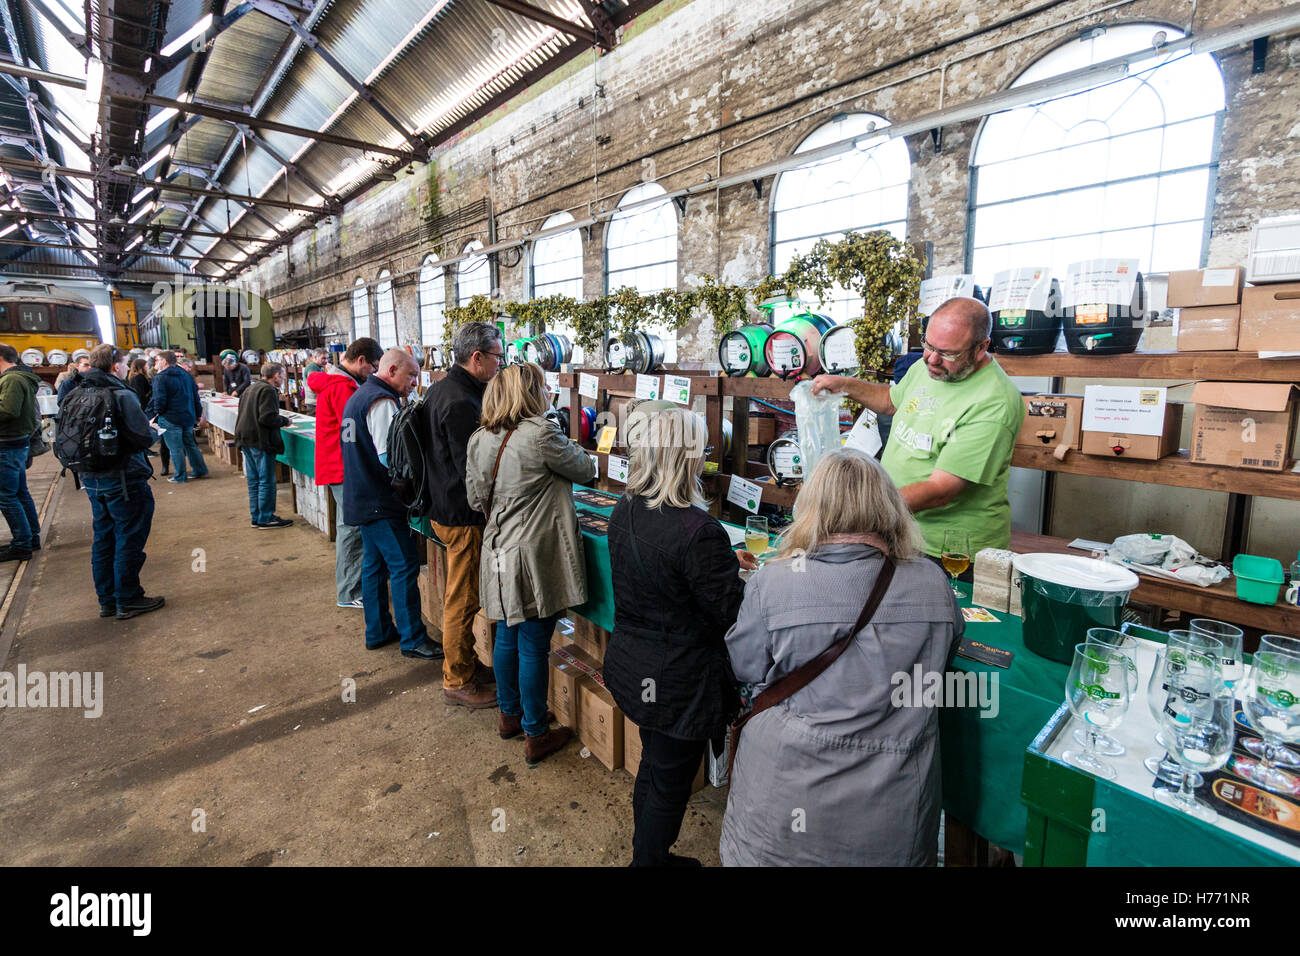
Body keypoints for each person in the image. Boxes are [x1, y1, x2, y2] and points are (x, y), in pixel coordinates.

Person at [719, 449, 961, 866]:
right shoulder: (932, 582)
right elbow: (946, 651)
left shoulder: (773, 581)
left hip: (784, 801)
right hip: (892, 812)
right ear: (888, 506)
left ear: (812, 506)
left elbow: (743, 666)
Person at [602, 406, 758, 867]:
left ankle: (646, 855)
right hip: (679, 681)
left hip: (636, 666)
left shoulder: (627, 506)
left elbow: (664, 571)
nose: (706, 458)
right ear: (684, 457)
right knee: (668, 782)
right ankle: (648, 862)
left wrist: (722, 560)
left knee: (653, 769)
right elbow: (730, 612)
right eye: (704, 450)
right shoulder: (698, 530)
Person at [811, 296, 1025, 560]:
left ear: (981, 347)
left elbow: (940, 491)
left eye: (947, 353)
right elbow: (893, 401)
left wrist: (864, 508)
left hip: (949, 551)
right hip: (902, 530)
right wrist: (845, 385)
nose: (932, 359)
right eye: (928, 345)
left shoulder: (994, 403)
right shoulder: (931, 366)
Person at [465, 363, 597, 761]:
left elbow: (474, 499)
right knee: (534, 643)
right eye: (542, 386)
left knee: (506, 631)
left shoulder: (479, 438)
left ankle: (509, 715)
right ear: (531, 393)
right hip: (531, 556)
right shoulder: (540, 433)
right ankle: (535, 733)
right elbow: (586, 469)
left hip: (497, 550)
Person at [422, 321, 505, 706]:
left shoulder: (440, 388)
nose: (499, 366)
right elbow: (471, 470)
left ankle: (466, 664)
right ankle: (457, 681)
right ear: (477, 358)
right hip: (461, 516)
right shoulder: (460, 402)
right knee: (464, 598)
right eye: (497, 358)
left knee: (462, 593)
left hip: (444, 506)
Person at [341, 348, 441, 660]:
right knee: (403, 565)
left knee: (374, 566)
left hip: (359, 495)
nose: (415, 381)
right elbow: (391, 460)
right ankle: (412, 638)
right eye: (411, 375)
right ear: (392, 370)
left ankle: (378, 630)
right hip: (379, 501)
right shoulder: (381, 401)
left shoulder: (358, 396)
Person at [62, 345, 164, 619]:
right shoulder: (121, 394)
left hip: (90, 477)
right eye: (122, 364)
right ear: (115, 365)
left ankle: (107, 599)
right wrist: (152, 431)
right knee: (128, 538)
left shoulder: (76, 392)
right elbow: (142, 437)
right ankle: (128, 598)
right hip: (123, 478)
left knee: (104, 539)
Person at [309, 338, 382, 608]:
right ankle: (350, 592)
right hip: (341, 467)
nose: (373, 374)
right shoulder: (342, 387)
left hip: (337, 465)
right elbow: (355, 428)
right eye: (373, 367)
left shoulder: (339, 382)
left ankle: (351, 587)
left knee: (348, 526)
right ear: (361, 360)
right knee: (351, 528)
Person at [235, 362, 293, 530]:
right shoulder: (268, 390)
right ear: (275, 375)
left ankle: (257, 516)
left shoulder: (250, 388)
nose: (283, 379)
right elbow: (267, 418)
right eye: (282, 375)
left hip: (246, 438)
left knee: (254, 481)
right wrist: (285, 421)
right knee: (266, 480)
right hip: (260, 441)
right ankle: (266, 518)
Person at [0, 344, 42, 562]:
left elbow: (8, 410)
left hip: (7, 444)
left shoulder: (11, 380)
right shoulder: (18, 378)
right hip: (15, 443)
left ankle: (22, 543)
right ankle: (30, 536)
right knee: (18, 492)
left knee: (7, 496)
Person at [145, 350, 208, 483]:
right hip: (187, 416)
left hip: (170, 418)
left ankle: (180, 476)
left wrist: (157, 414)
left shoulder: (160, 378)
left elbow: (159, 400)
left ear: (165, 361)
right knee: (190, 445)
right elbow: (195, 397)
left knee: (176, 448)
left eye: (158, 360)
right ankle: (200, 470)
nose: (156, 363)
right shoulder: (186, 375)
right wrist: (197, 413)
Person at [302, 348, 329, 414]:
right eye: (323, 358)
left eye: (327, 358)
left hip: (317, 402)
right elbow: (317, 384)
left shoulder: (320, 368)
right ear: (315, 357)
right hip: (314, 403)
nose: (326, 361)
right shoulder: (312, 368)